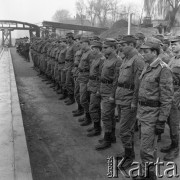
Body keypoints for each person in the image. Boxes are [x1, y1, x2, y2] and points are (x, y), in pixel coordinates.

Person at [134, 37, 173, 180]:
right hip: (143, 113)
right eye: (142, 51)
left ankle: (149, 176)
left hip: (152, 115)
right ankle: (148, 173)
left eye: (146, 51)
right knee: (148, 147)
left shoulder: (163, 70)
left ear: (155, 52)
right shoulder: (147, 66)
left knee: (146, 148)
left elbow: (167, 98)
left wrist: (161, 120)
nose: (142, 54)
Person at [115, 35, 145, 169]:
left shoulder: (137, 60)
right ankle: (128, 152)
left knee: (124, 129)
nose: (120, 47)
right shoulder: (125, 58)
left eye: (123, 44)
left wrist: (134, 102)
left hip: (129, 99)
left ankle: (129, 157)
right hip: (122, 97)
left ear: (132, 45)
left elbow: (138, 84)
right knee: (126, 129)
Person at [95, 38, 122, 150]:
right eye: (103, 47)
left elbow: (116, 80)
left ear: (113, 48)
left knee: (106, 115)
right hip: (104, 88)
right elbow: (101, 75)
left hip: (110, 89)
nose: (103, 49)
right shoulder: (106, 59)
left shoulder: (117, 60)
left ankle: (107, 139)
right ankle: (111, 136)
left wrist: (112, 95)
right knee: (109, 115)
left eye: (106, 48)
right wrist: (99, 89)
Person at [160, 36, 180, 161]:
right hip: (170, 93)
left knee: (174, 122)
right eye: (171, 44)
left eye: (175, 43)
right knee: (169, 120)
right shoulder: (173, 59)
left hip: (177, 94)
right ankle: (173, 144)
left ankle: (176, 148)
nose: (172, 46)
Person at [86, 40, 105, 137]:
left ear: (98, 49)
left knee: (93, 108)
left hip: (96, 86)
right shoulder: (95, 58)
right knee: (95, 107)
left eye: (93, 49)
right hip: (92, 84)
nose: (92, 50)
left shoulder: (101, 60)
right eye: (91, 48)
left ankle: (97, 128)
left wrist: (98, 89)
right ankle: (96, 126)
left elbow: (101, 76)